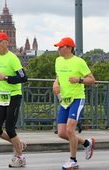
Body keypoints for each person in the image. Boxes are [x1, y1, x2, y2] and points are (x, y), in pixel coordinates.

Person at [53, 37, 95, 169]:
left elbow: (92, 80)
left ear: (69, 48)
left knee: (70, 129)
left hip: (77, 98)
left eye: (61, 47)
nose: (58, 49)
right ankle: (87, 143)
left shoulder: (79, 62)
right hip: (65, 100)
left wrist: (79, 79)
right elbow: (58, 77)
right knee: (61, 133)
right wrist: (55, 84)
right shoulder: (58, 60)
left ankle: (73, 161)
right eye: (58, 47)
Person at [0, 32, 28, 168]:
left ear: (6, 43)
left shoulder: (13, 58)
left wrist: (5, 78)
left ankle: (20, 157)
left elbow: (24, 78)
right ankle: (18, 144)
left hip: (14, 96)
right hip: (2, 97)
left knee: (10, 128)